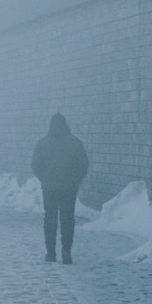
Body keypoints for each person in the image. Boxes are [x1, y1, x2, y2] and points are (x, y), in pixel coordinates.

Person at [31, 113, 89, 264]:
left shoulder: (42, 143)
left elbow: (35, 165)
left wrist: (44, 179)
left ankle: (51, 253)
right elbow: (83, 164)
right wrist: (76, 179)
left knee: (50, 218)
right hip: (69, 188)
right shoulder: (75, 143)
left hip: (49, 188)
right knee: (67, 219)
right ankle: (66, 252)